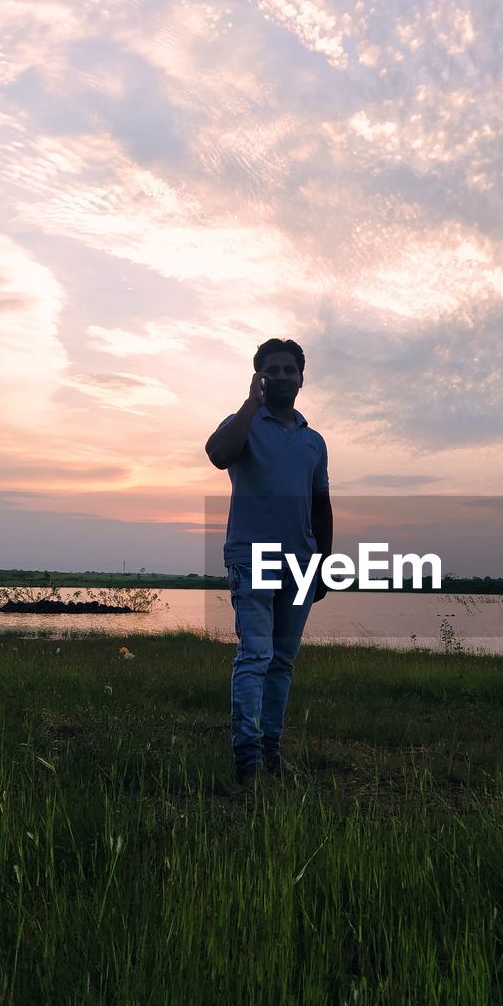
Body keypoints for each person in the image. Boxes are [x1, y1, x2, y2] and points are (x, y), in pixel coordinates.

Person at [205, 338, 333, 793]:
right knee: (255, 655)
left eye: (289, 370)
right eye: (272, 370)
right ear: (259, 375)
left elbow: (322, 504)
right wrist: (249, 404)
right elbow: (219, 455)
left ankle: (273, 754)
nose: (281, 377)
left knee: (282, 661)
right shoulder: (243, 422)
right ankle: (247, 763)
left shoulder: (313, 441)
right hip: (252, 556)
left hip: (301, 560)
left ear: (301, 377)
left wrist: (323, 564)